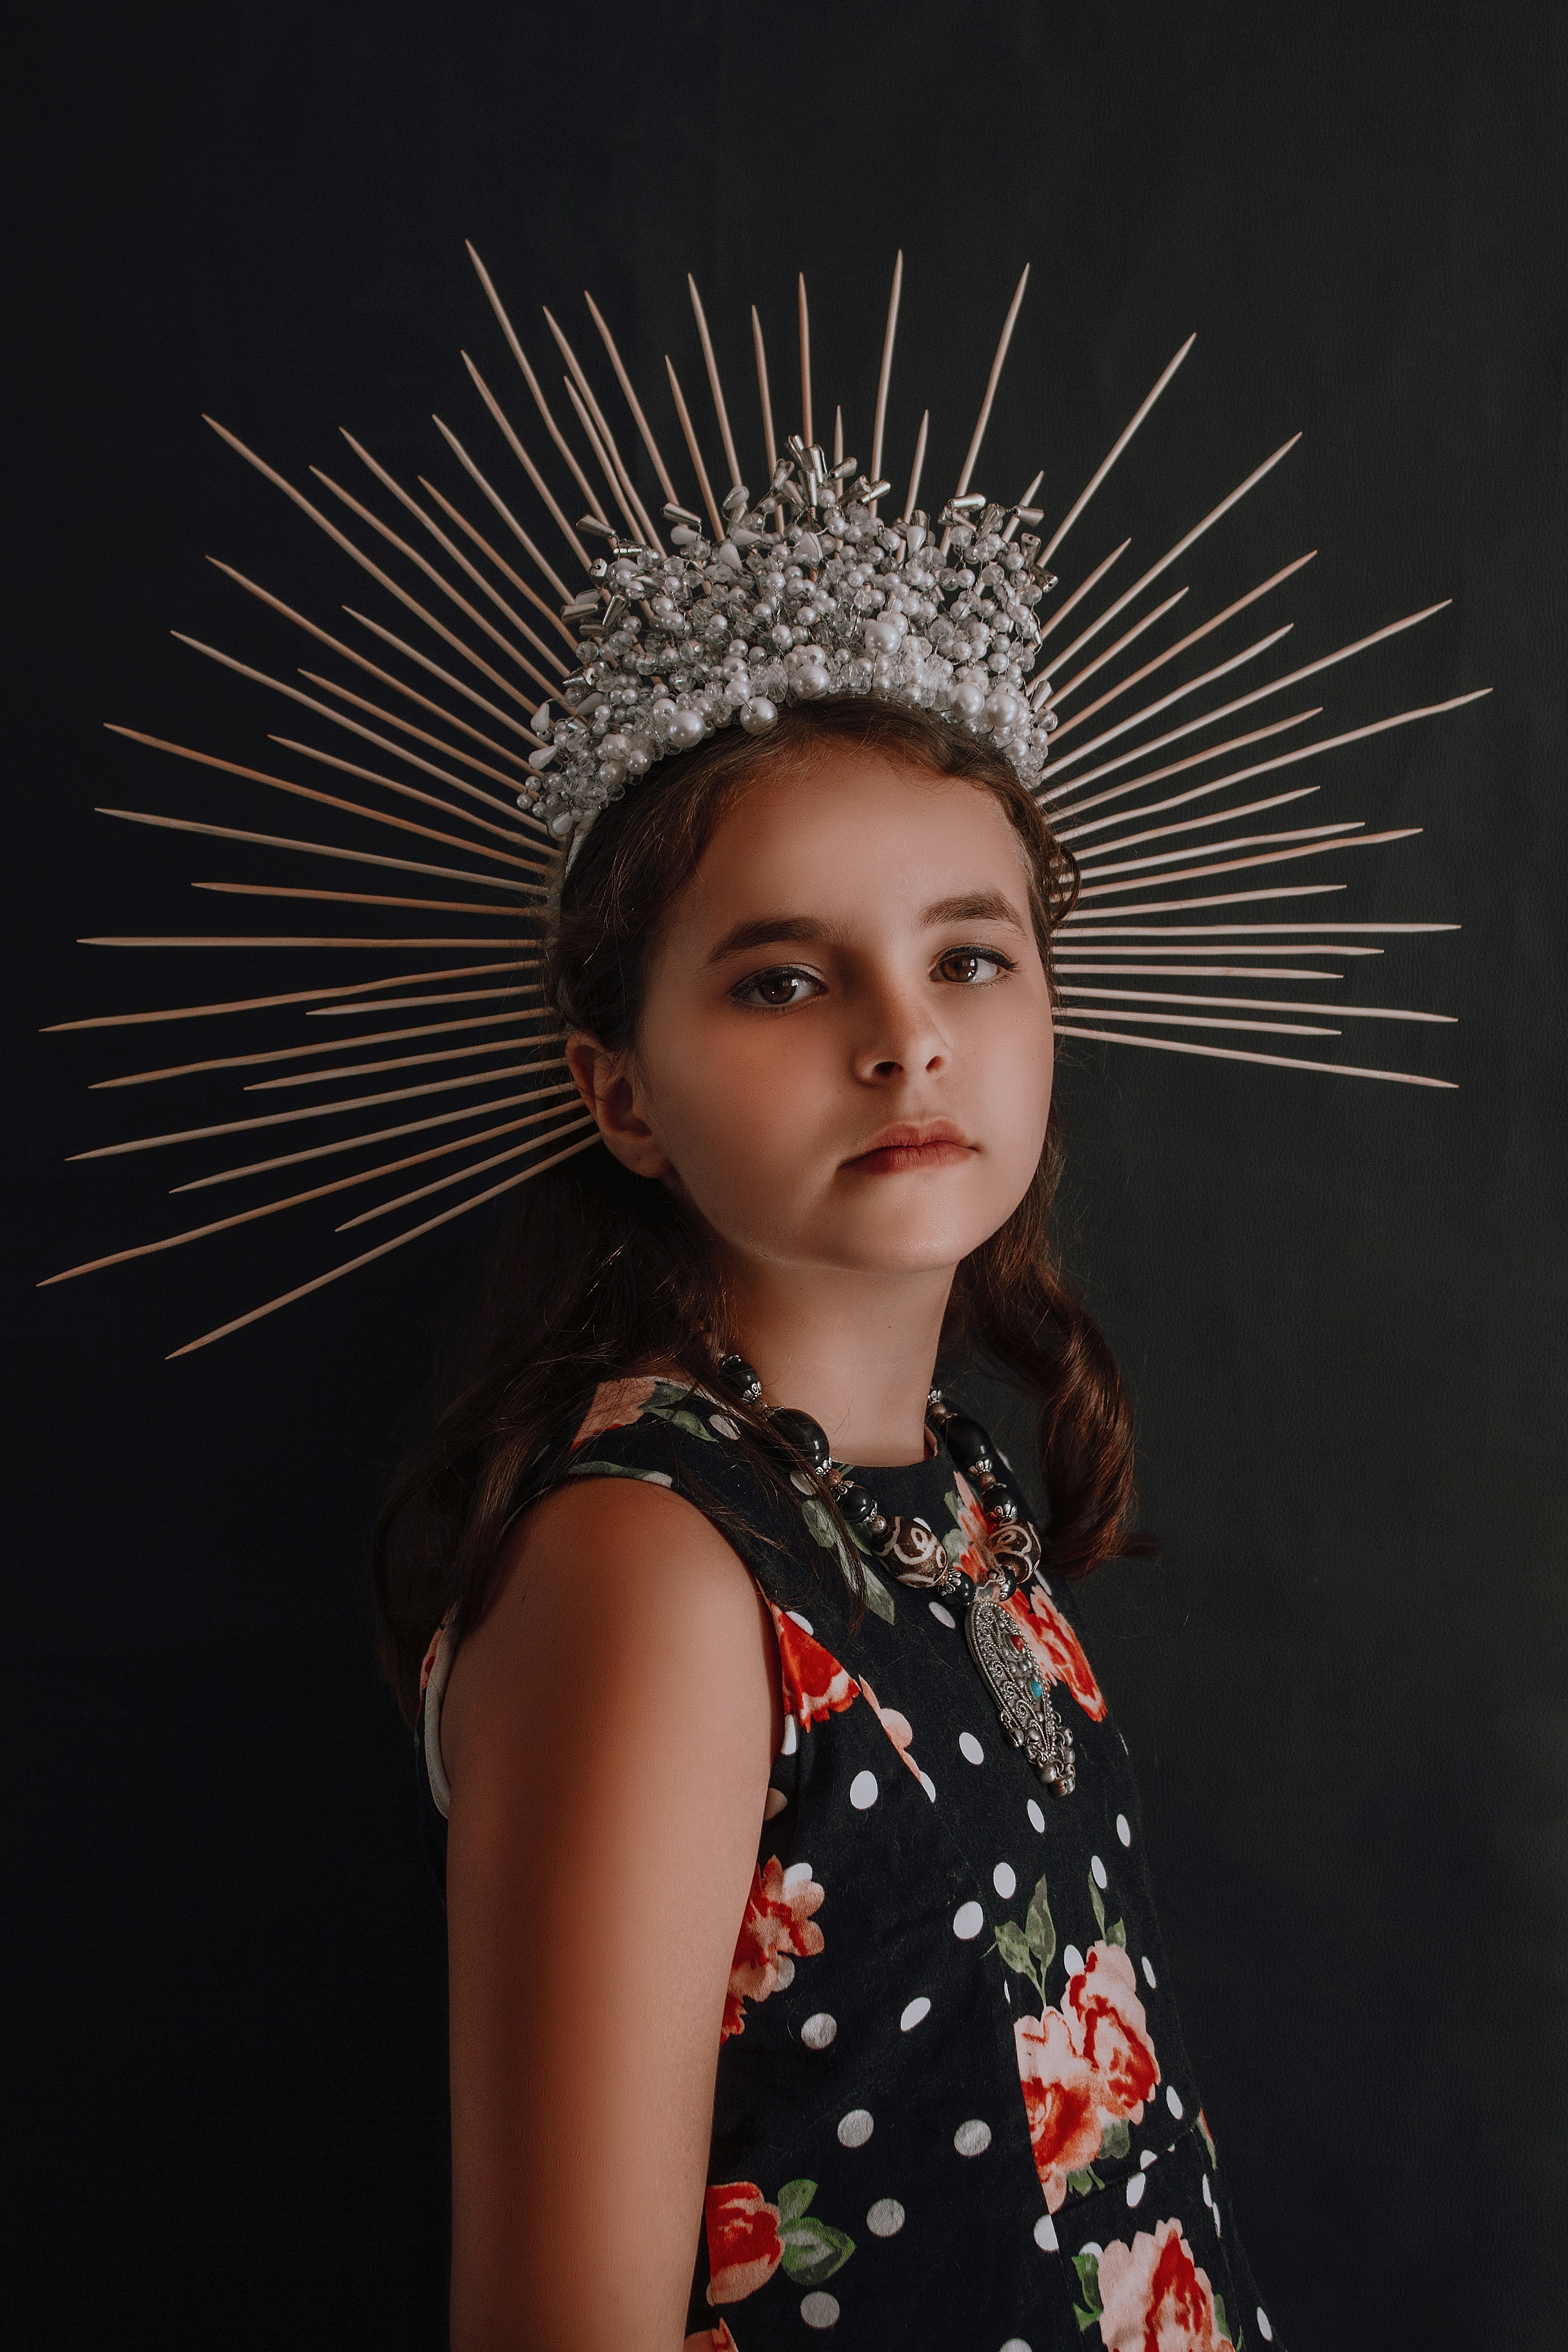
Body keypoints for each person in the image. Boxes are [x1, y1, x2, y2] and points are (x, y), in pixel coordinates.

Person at [377, 697, 1279, 2352]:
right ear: (623, 1092)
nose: (903, 1038)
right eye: (783, 980)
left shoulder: (941, 1484)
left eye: (969, 958)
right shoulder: (651, 1566)